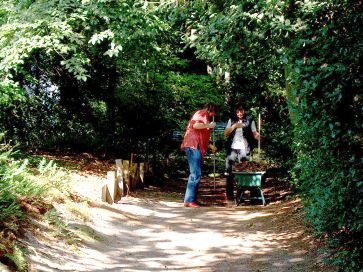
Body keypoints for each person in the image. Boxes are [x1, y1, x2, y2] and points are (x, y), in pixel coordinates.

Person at [181, 103, 218, 208]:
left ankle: (192, 199)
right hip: (193, 145)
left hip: (195, 145)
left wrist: (211, 146)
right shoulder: (202, 113)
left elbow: (200, 134)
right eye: (214, 112)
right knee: (195, 173)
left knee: (196, 173)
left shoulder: (204, 115)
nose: (214, 114)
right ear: (212, 110)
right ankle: (189, 200)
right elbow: (195, 126)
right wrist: (209, 125)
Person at [224, 104, 260, 200]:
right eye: (238, 111)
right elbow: (226, 134)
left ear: (244, 111)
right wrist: (234, 126)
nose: (239, 113)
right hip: (232, 148)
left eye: (241, 111)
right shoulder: (231, 120)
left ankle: (240, 195)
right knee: (229, 171)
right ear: (235, 112)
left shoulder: (250, 120)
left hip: (244, 148)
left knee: (244, 171)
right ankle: (229, 195)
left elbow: (254, 132)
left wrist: (257, 136)